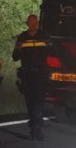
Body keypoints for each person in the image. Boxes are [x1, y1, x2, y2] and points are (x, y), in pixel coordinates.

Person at [12, 13, 50, 141]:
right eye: (30, 23)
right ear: (27, 24)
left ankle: (36, 128)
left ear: (37, 23)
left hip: (40, 75)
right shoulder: (22, 38)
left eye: (34, 23)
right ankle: (33, 127)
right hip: (27, 75)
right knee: (30, 103)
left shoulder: (44, 37)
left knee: (38, 102)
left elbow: (53, 52)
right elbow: (15, 56)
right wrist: (18, 47)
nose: (32, 25)